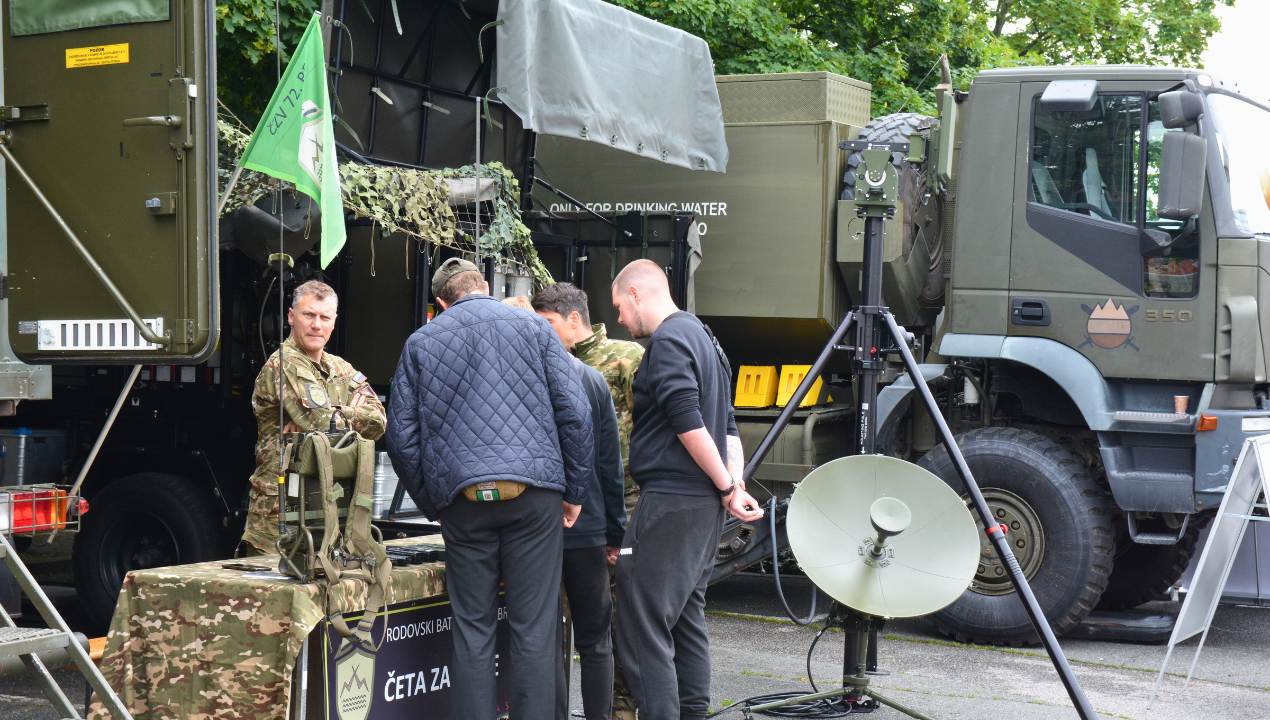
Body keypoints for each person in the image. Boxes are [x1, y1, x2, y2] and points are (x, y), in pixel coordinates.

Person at [387, 257, 595, 720]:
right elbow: (576, 415)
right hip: (535, 495)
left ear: (441, 301)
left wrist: (434, 501)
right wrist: (575, 492)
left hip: (463, 501)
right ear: (485, 286)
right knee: (533, 629)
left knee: (472, 630)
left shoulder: (421, 342)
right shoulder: (536, 330)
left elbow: (400, 439)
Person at [610, 260, 764, 720]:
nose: (619, 318)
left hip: (672, 503)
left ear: (637, 293)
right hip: (702, 509)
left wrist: (725, 484)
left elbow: (687, 419)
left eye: (619, 305)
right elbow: (729, 425)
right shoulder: (706, 337)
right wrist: (733, 486)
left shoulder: (669, 340)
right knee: (685, 618)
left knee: (641, 622)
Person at [531, 282, 644, 720]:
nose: (541, 333)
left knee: (610, 627)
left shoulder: (623, 360)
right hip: (584, 518)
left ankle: (621, 709)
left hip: (608, 508)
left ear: (572, 319)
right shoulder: (571, 373)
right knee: (565, 636)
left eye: (548, 324)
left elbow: (637, 438)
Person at [240, 280, 385, 555]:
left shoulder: (339, 367)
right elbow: (319, 422)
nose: (316, 325)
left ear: (334, 322)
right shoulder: (285, 363)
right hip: (280, 515)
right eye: (309, 315)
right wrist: (346, 415)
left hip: (327, 506)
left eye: (324, 317)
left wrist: (338, 413)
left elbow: (379, 422)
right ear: (292, 317)